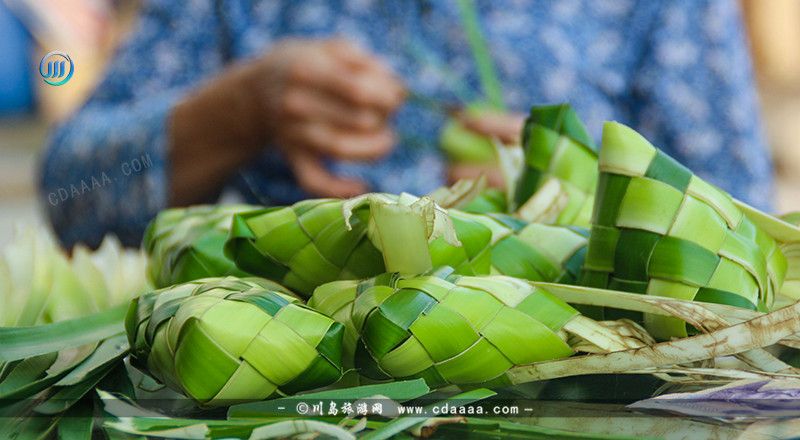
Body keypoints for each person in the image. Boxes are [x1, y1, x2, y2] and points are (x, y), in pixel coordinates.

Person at [40, 0, 775, 249]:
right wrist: (237, 111)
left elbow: (752, 233)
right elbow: (74, 192)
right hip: (296, 396)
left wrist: (580, 196)